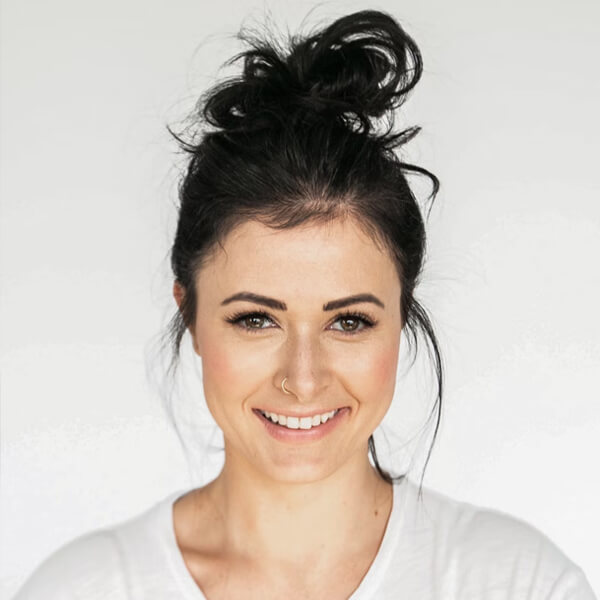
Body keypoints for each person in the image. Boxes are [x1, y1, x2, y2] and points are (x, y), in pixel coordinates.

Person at [12, 9, 596, 600]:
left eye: (349, 321)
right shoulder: (83, 589)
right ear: (189, 315)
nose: (304, 379)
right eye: (256, 319)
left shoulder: (520, 584)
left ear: (402, 317)